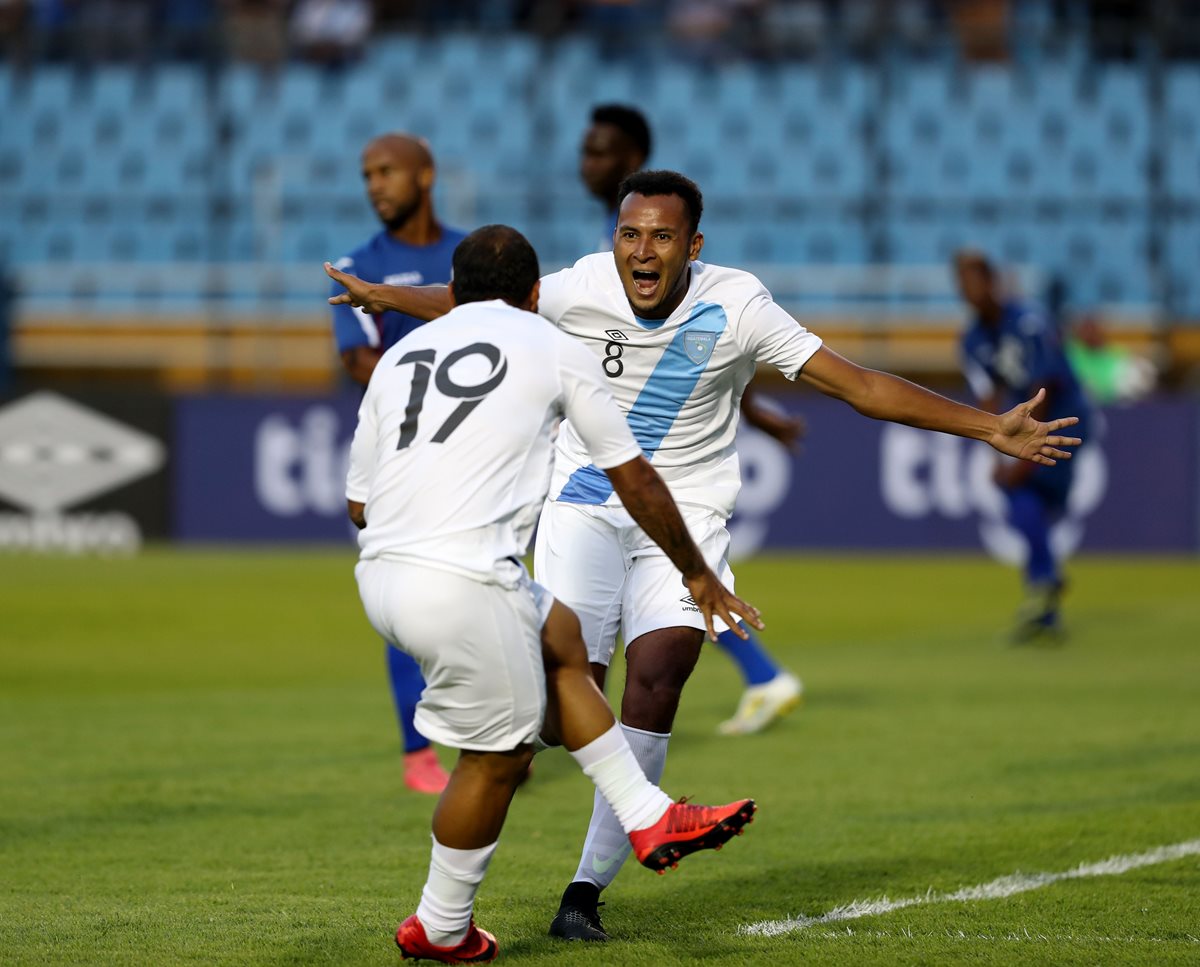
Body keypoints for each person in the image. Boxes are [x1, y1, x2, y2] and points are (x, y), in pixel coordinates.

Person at [326, 170, 1081, 943]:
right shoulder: (580, 287)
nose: (641, 251)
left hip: (685, 516)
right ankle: (576, 835)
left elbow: (857, 385)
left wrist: (988, 426)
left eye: (661, 237)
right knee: (558, 706)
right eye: (629, 234)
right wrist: (384, 297)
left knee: (656, 681)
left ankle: (584, 889)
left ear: (693, 246)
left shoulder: (739, 304)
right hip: (584, 507)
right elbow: (484, 307)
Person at [346, 224, 761, 963]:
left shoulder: (402, 357)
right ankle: (440, 926)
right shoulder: (555, 346)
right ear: (536, 293)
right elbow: (633, 478)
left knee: (562, 637)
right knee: (496, 759)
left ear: (454, 290)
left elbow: (358, 504)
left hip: (382, 576)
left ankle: (647, 813)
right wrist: (697, 572)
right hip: (467, 579)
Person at [582, 104, 804, 736]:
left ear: (630, 158)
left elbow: (699, 351)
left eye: (598, 152)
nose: (585, 164)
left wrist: (751, 411)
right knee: (649, 572)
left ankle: (570, 718)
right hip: (619, 432)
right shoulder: (623, 236)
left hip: (643, 449)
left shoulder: (651, 231)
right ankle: (761, 675)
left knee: (648, 570)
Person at [330, 132, 467, 794]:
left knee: (487, 587)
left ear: (426, 175)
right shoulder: (359, 265)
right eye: (367, 174)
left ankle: (493, 732)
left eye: (386, 171)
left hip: (476, 453)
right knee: (404, 598)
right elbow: (358, 359)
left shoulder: (470, 256)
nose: (375, 184)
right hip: (402, 457)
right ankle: (419, 753)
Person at [953, 249, 1093, 642]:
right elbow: (987, 397)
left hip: (1065, 417)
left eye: (975, 281)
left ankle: (1045, 582)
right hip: (1022, 426)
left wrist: (1022, 451)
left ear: (991, 282)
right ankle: (1045, 589)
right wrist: (994, 444)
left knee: (1031, 494)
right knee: (1021, 497)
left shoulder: (1029, 322)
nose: (969, 291)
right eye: (963, 284)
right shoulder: (972, 340)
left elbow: (1043, 386)